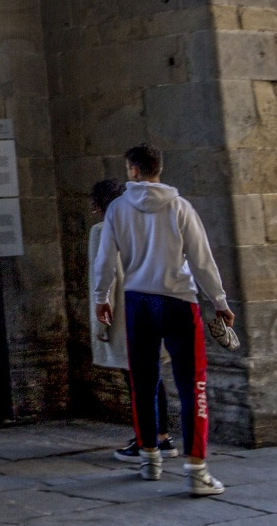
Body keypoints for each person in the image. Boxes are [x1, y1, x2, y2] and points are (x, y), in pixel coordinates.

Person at [91, 144, 233, 497]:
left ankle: (149, 459)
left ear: (133, 170)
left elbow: (105, 258)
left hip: (138, 301)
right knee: (192, 386)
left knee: (142, 381)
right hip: (178, 300)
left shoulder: (118, 210)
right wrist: (219, 301)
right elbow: (202, 260)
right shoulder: (180, 207)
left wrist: (101, 298)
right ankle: (196, 470)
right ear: (159, 169)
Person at [87, 178, 175, 461]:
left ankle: (147, 440)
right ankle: (161, 436)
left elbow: (106, 278)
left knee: (136, 379)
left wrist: (102, 324)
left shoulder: (103, 231)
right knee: (152, 376)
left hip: (127, 316)